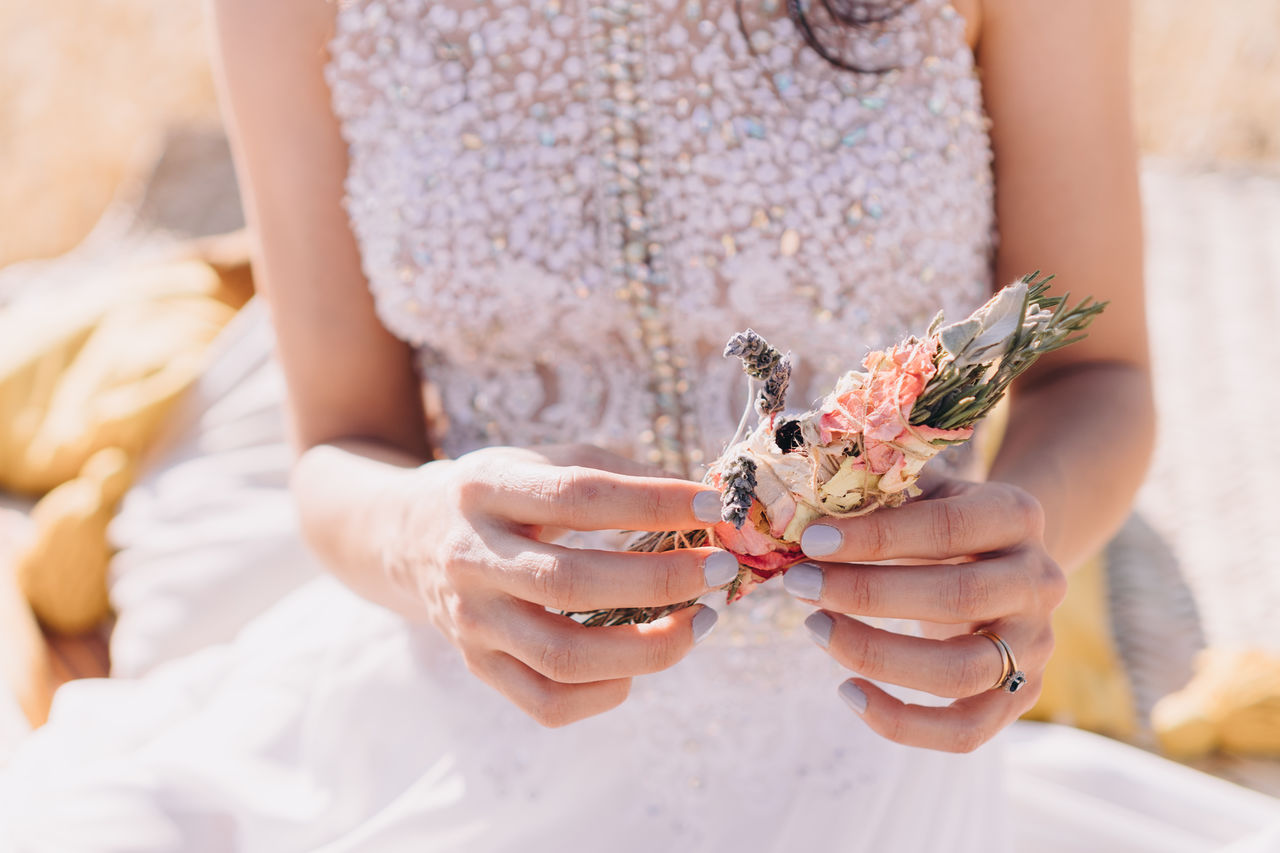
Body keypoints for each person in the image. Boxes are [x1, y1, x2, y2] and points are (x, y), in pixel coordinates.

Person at [5, 0, 1234, 850]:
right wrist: (423, 539)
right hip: (462, 727)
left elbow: (1098, 371)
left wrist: (1020, 548)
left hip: (878, 740)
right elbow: (339, 445)